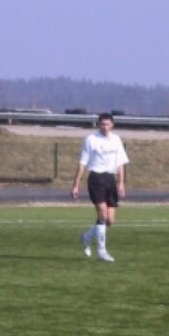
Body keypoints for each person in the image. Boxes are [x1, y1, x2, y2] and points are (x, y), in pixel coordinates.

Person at [71, 112, 129, 262]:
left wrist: (121, 182)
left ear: (112, 125)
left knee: (110, 220)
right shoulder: (91, 139)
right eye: (102, 124)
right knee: (102, 214)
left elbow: (121, 163)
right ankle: (102, 252)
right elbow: (82, 163)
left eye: (108, 124)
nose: (105, 127)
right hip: (96, 178)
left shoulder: (116, 139)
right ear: (98, 125)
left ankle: (87, 236)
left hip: (110, 179)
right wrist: (76, 184)